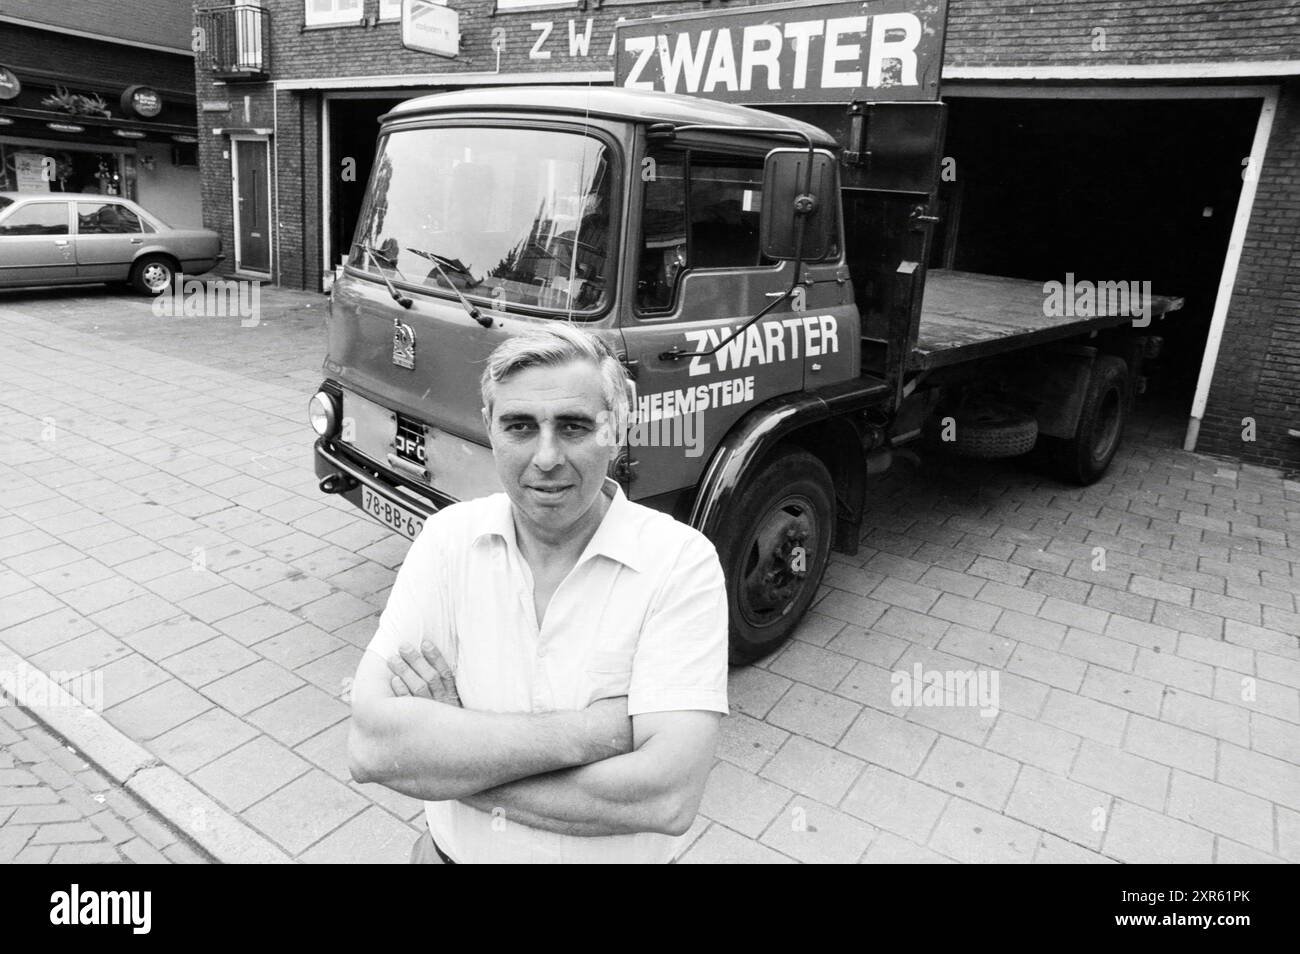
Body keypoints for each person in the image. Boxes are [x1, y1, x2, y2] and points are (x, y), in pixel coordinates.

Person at [347, 324, 729, 863]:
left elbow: (666, 797)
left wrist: (447, 759)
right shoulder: (447, 540)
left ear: (619, 428)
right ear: (489, 428)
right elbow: (371, 749)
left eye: (573, 427)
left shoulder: (680, 563)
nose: (546, 458)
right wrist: (598, 733)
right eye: (520, 426)